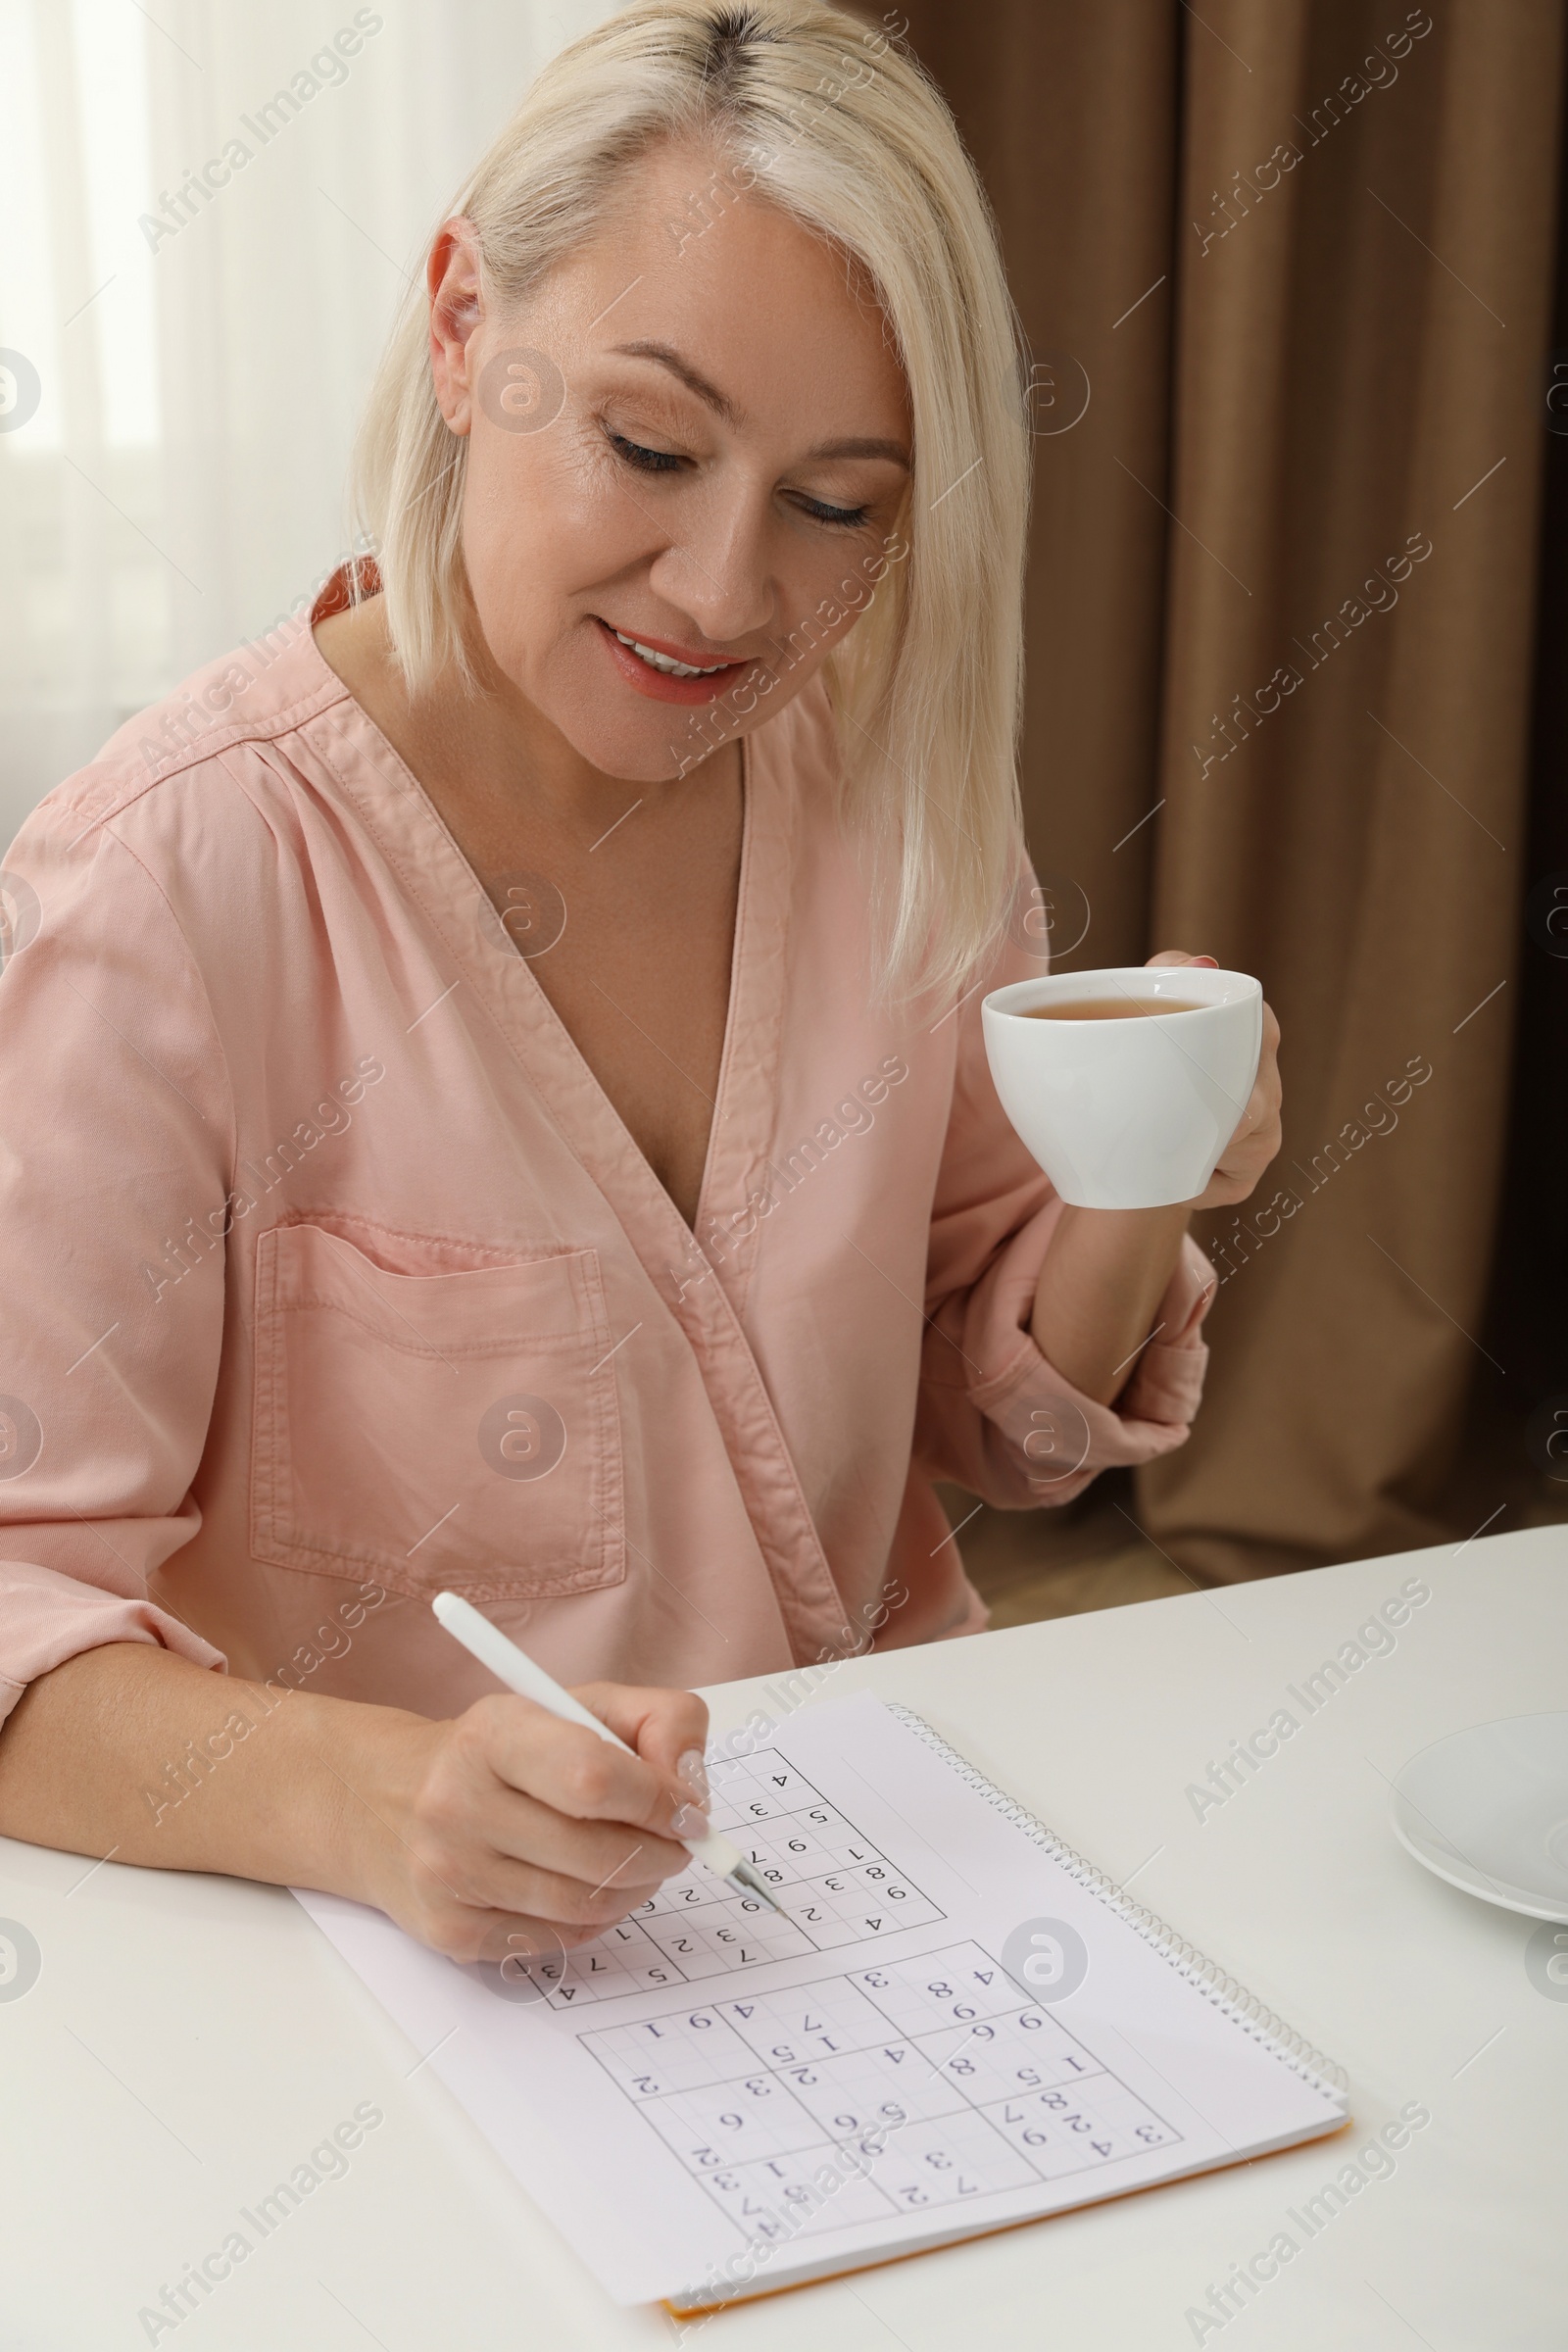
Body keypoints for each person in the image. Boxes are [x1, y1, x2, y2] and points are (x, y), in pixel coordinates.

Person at [0, 0, 1280, 1969]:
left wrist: (1146, 1172)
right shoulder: (167, 886)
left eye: (835, 502)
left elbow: (1002, 1423)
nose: (718, 591)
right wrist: (375, 1798)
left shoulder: (887, 800)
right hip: (380, 1974)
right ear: (458, 332)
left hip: (867, 1903)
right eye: (647, 445)